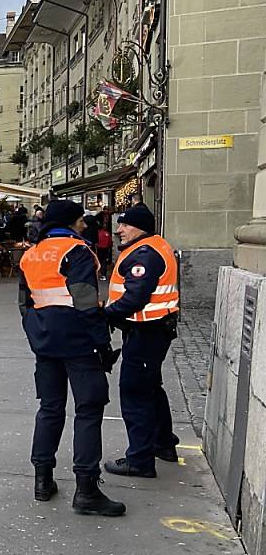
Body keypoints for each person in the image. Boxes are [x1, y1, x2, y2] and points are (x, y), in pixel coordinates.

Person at [18, 199, 125, 517]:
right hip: (79, 343)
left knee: (50, 409)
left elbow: (25, 304)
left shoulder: (32, 254)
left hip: (45, 343)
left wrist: (37, 334)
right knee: (88, 411)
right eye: (81, 220)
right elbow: (86, 302)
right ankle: (87, 490)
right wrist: (102, 343)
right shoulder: (77, 252)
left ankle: (42, 480)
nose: (84, 225)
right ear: (71, 222)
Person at [103, 204, 181, 479]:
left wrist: (105, 315)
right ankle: (163, 444)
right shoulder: (154, 246)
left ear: (140, 227)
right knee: (150, 388)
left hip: (146, 331)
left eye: (124, 224)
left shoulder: (145, 254)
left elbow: (135, 298)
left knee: (135, 393)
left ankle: (139, 459)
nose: (119, 230)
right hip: (153, 330)